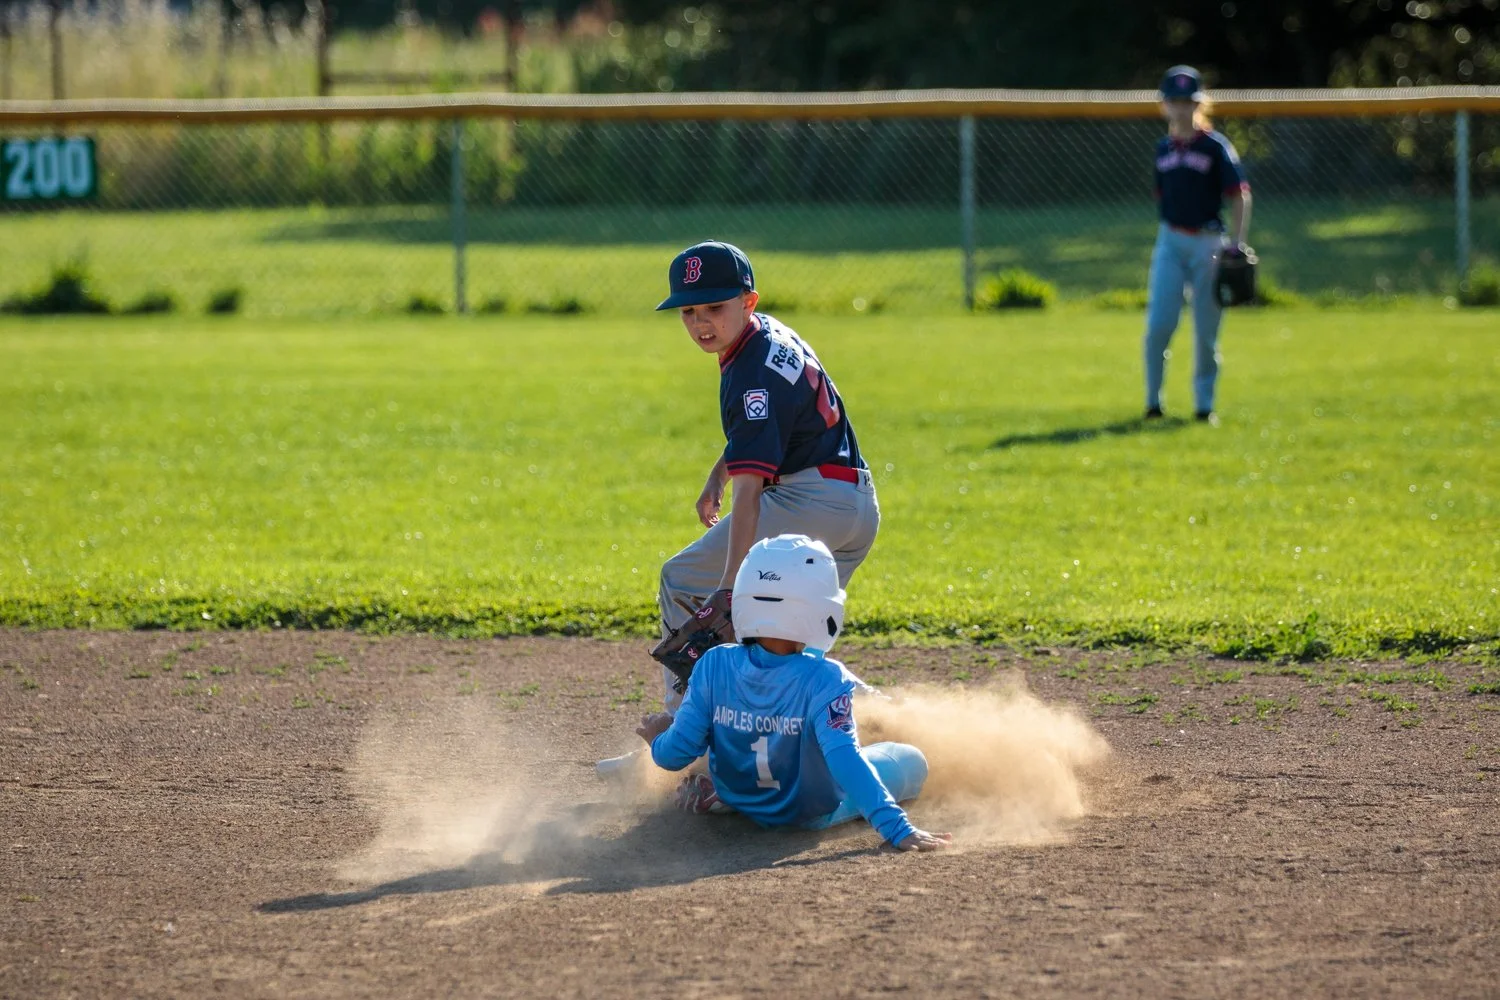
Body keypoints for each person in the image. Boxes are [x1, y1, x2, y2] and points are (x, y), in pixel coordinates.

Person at [635, 533, 951, 852]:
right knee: (911, 759)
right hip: (806, 814)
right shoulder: (826, 677)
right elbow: (845, 759)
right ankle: (734, 796)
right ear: (821, 608)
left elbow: (672, 755)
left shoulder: (712, 663)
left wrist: (658, 739)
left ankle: (723, 795)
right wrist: (896, 828)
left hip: (741, 795)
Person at [1143, 65, 1253, 425]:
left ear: (1198, 104)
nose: (1180, 108)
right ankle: (1152, 402)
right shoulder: (1162, 149)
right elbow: (1162, 196)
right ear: (1165, 105)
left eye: (1187, 101)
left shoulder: (1215, 147)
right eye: (1173, 101)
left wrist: (1236, 244)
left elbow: (1239, 196)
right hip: (1171, 240)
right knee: (1159, 324)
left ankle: (1204, 406)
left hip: (1209, 243)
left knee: (1206, 330)